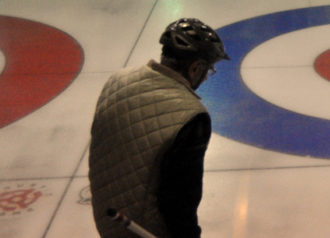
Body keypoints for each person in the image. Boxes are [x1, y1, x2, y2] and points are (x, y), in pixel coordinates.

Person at [89, 18, 230, 238]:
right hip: (146, 230)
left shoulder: (118, 80)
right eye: (208, 70)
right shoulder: (190, 116)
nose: (206, 76)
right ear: (196, 67)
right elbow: (179, 201)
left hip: (109, 219)